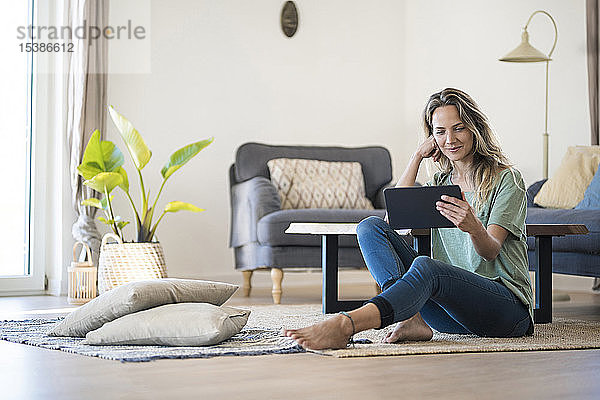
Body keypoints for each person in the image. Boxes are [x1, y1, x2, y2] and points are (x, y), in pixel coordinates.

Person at [284, 88, 534, 350]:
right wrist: (416, 156)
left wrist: (473, 228)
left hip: (505, 312)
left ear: (474, 128)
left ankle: (346, 324)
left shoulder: (507, 179)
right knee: (370, 226)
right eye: (440, 131)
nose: (450, 139)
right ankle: (409, 315)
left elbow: (491, 251)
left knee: (428, 267)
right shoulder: (440, 183)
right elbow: (394, 219)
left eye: (459, 128)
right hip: (449, 317)